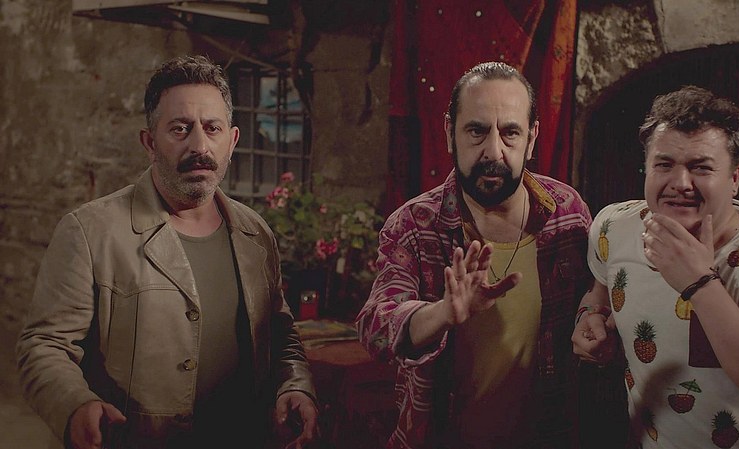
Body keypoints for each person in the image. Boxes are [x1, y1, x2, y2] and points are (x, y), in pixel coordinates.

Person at [16, 55, 318, 449]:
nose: (199, 145)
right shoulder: (90, 231)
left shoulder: (255, 233)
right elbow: (44, 345)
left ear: (232, 140)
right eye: (180, 129)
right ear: (149, 142)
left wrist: (295, 386)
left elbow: (280, 335)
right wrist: (76, 405)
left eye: (212, 128)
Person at [356, 61, 592, 449]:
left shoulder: (567, 212)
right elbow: (375, 328)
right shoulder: (414, 224)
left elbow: (593, 306)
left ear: (532, 138)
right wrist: (442, 314)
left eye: (510, 132)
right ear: (450, 133)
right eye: (477, 131)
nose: (493, 151)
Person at [572, 86, 739, 448]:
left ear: (734, 179)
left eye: (700, 167)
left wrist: (699, 283)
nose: (680, 183)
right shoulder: (613, 227)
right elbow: (599, 294)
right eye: (664, 165)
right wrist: (590, 316)